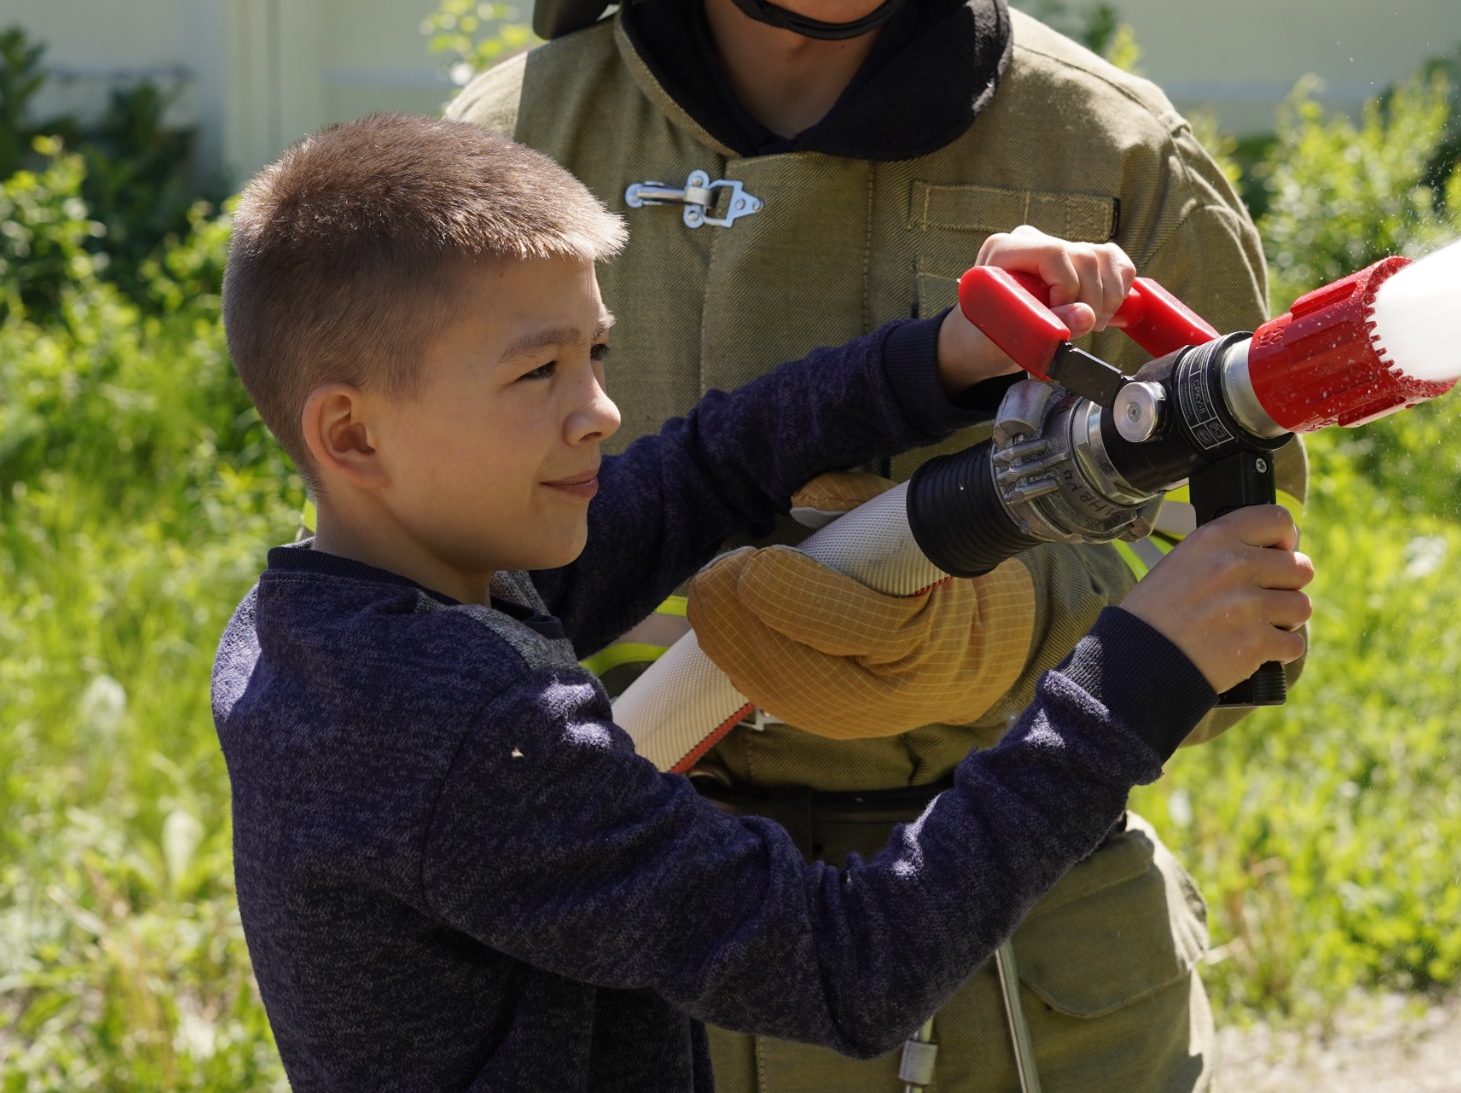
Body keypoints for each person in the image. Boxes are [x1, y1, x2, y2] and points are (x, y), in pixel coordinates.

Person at [450, 0, 1301, 1092]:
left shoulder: (1110, 155)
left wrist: (1000, 634)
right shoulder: (509, 155)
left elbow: (1246, 602)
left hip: (1026, 980)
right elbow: (417, 594)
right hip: (642, 960)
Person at [208, 113, 1312, 1093]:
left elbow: (705, 465)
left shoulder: (338, 614)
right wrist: (1130, 675)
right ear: (352, 432)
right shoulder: (450, 728)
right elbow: (853, 963)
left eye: (596, 351)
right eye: (536, 372)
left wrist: (948, 352)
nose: (598, 409)